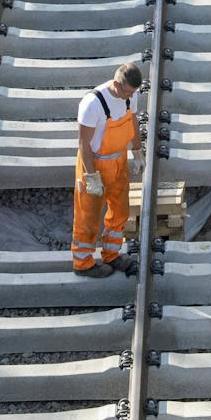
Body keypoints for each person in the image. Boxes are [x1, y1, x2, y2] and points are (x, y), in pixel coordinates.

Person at [72, 62, 144, 278]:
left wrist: (138, 150)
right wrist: (91, 176)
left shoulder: (130, 95)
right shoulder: (93, 103)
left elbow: (132, 122)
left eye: (134, 92)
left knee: (120, 211)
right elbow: (84, 144)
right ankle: (82, 263)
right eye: (128, 92)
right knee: (89, 215)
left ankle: (111, 254)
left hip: (118, 161)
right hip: (94, 163)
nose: (130, 96)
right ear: (116, 84)